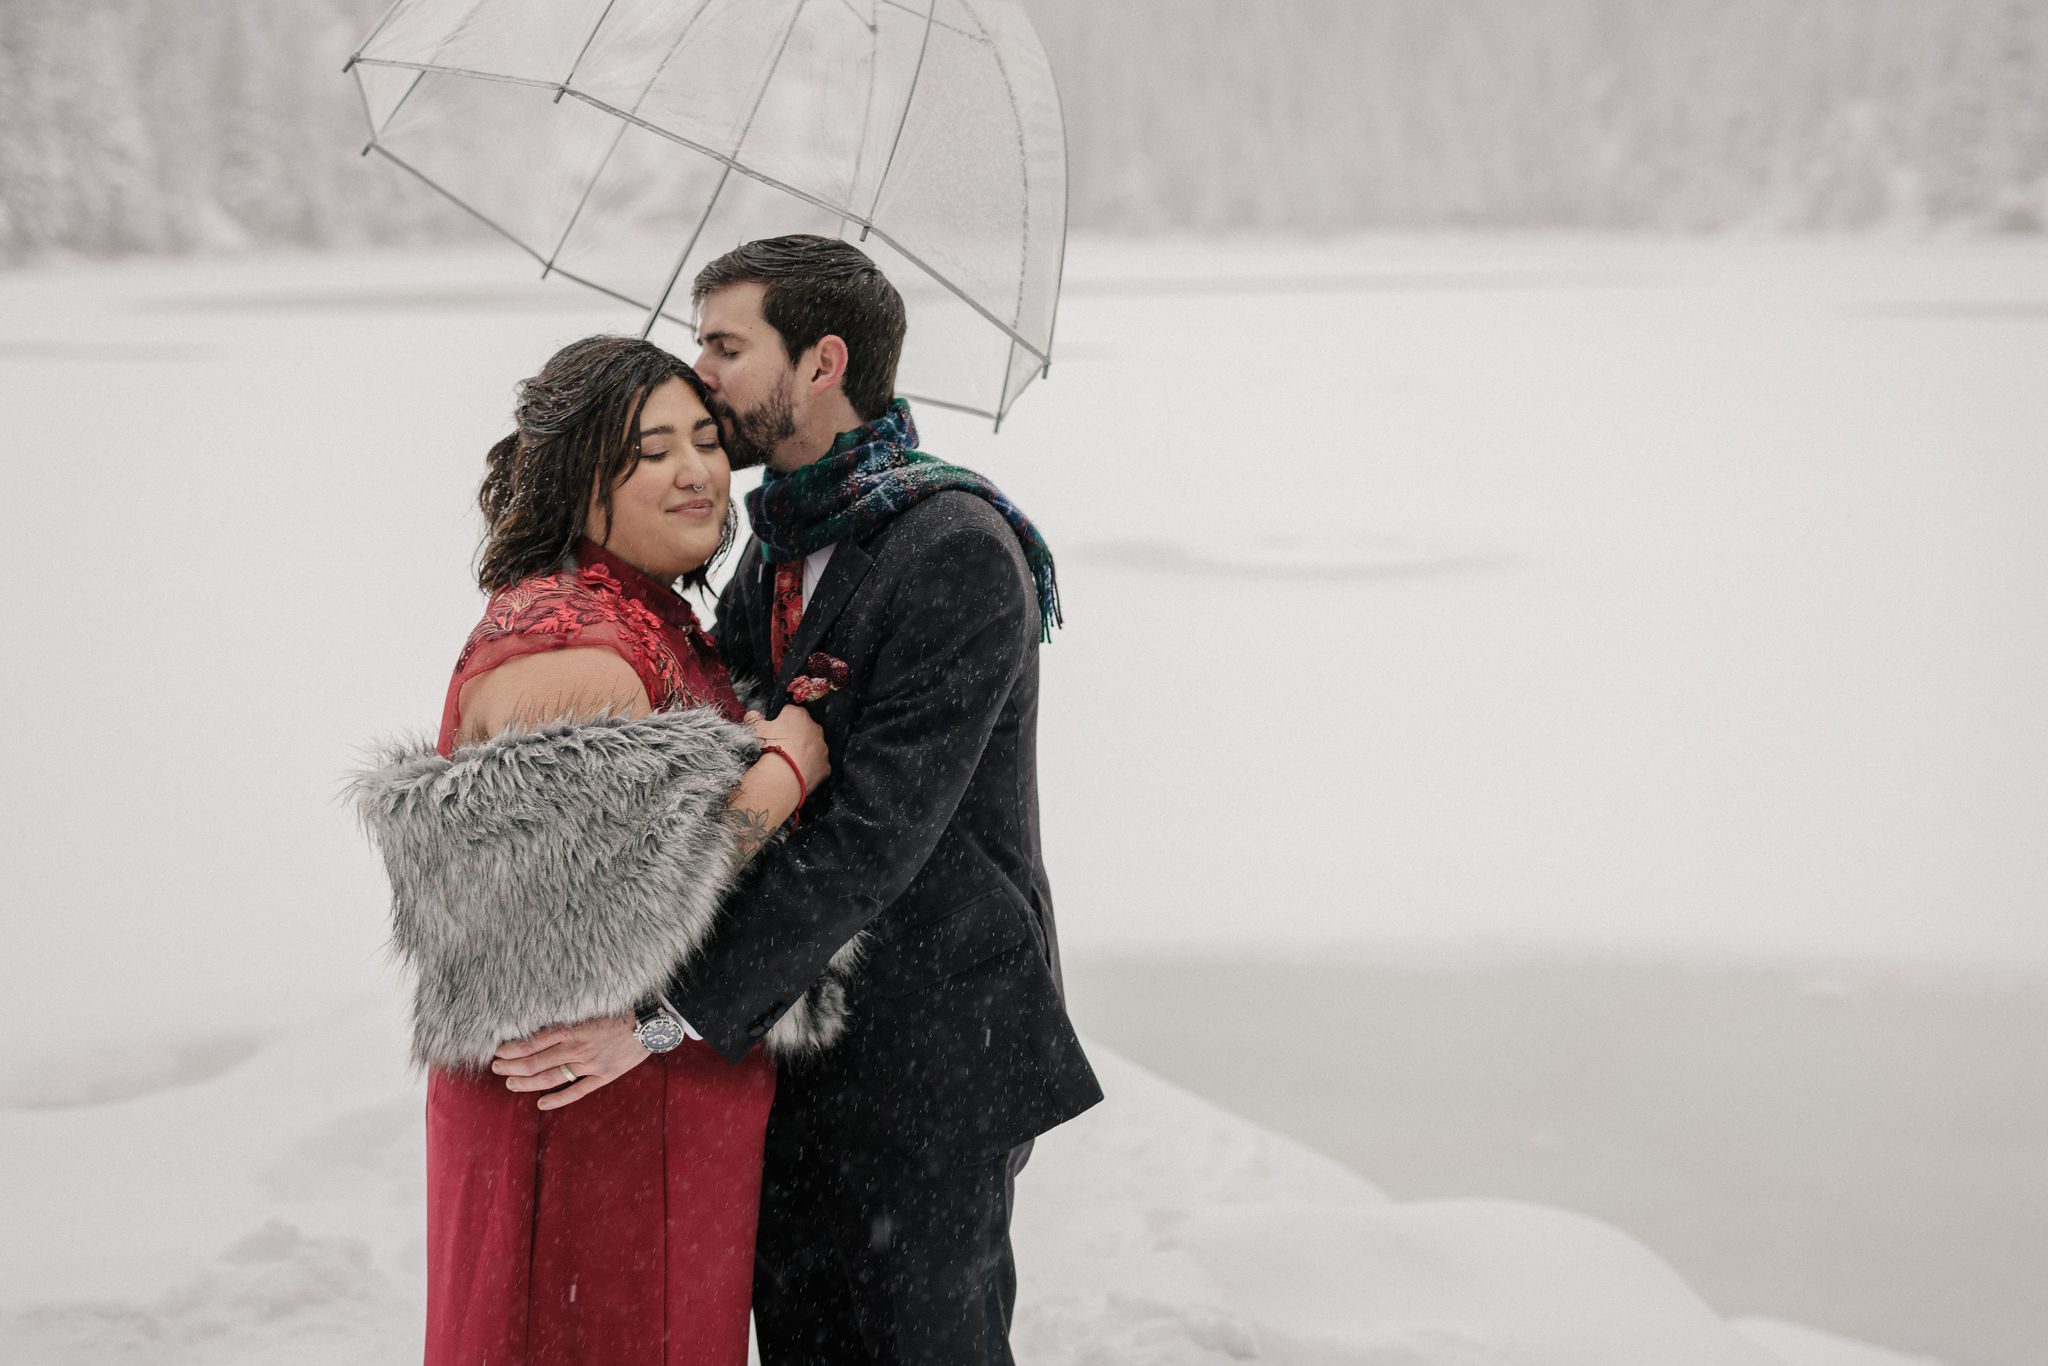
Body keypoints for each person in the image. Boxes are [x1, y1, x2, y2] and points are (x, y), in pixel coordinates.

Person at [521, 234, 1105, 1364]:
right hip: (792, 1061)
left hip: (932, 1059)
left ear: (822, 362)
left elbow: (869, 840)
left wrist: (658, 1017)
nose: (704, 376)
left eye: (726, 347)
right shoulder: (775, 547)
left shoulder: (955, 552)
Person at [350, 335, 839, 1366]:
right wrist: (786, 767)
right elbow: (610, 921)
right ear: (580, 479)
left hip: (650, 1115)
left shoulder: (641, 617)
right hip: (587, 1127)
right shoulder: (568, 638)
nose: (697, 470)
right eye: (651, 450)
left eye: (706, 441)